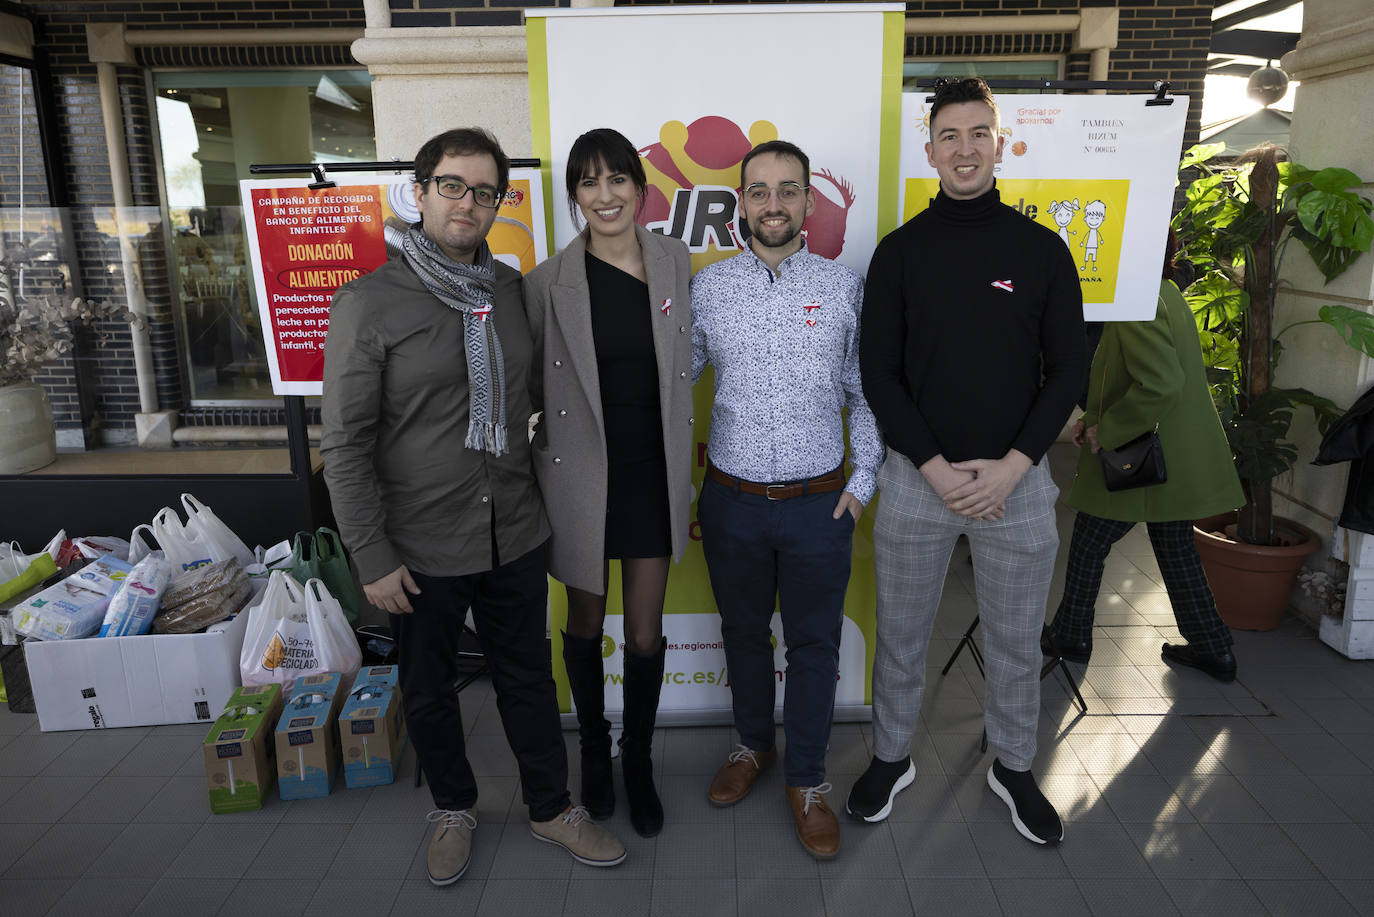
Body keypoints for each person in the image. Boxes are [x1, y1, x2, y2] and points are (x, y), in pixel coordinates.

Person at [321, 127, 625, 888]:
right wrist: (371, 553)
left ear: (499, 203)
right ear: (418, 191)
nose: (468, 203)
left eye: (485, 191)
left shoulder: (512, 291)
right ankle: (453, 806)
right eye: (452, 185)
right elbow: (346, 444)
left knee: (528, 677)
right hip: (417, 543)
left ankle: (552, 806)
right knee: (428, 687)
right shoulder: (369, 303)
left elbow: (537, 396)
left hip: (514, 525)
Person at [855, 77, 1085, 845]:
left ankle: (1013, 764)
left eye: (976, 133)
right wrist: (933, 466)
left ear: (1000, 141)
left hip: (1016, 485)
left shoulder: (1041, 250)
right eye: (948, 136)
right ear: (930, 150)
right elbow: (878, 373)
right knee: (904, 634)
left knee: (1019, 638)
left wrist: (1016, 465)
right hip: (919, 480)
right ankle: (892, 755)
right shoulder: (900, 253)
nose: (963, 148)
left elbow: (1069, 373)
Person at [690, 139, 883, 860]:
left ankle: (806, 779)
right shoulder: (710, 289)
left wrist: (862, 485)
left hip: (818, 505)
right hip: (732, 500)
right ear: (740, 201)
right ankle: (751, 747)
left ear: (808, 200)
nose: (773, 203)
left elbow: (865, 395)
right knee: (742, 634)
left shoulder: (844, 289)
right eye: (759, 190)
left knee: (813, 645)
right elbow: (675, 386)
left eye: (788, 189)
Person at [523, 128, 694, 838]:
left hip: (653, 471)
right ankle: (594, 751)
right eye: (588, 183)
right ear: (574, 197)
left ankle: (638, 759)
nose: (605, 194)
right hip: (581, 475)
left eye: (617, 179)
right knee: (586, 621)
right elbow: (523, 387)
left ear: (640, 189)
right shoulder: (546, 283)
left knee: (646, 629)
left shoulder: (674, 260)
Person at [1043, 243, 1243, 683]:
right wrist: (1094, 420)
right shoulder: (1164, 290)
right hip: (1170, 455)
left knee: (1090, 541)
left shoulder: (1138, 302)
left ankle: (1072, 635)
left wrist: (1107, 431)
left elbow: (1160, 383)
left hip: (1146, 459)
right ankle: (1214, 649)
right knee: (1174, 550)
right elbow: (1127, 373)